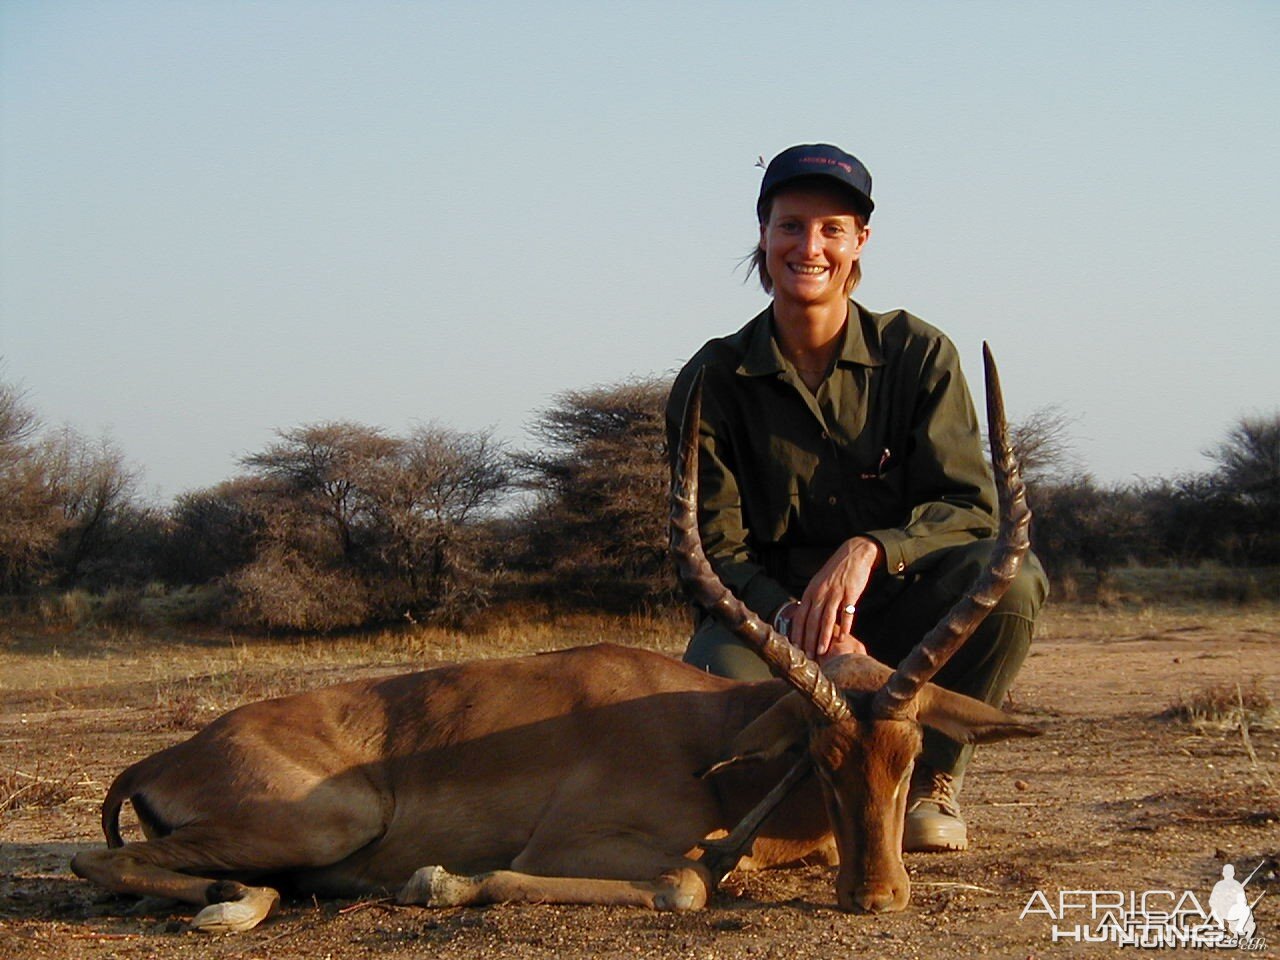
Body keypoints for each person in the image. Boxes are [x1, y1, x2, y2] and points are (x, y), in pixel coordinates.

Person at [666, 143, 1048, 853]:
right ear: (764, 233)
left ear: (859, 241)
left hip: (899, 614)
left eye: (831, 229)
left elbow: (969, 508)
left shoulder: (919, 353)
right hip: (774, 626)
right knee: (718, 677)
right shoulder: (712, 377)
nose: (809, 246)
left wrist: (872, 548)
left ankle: (933, 780)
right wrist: (794, 619)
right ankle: (803, 805)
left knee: (1015, 583)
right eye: (791, 226)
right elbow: (709, 556)